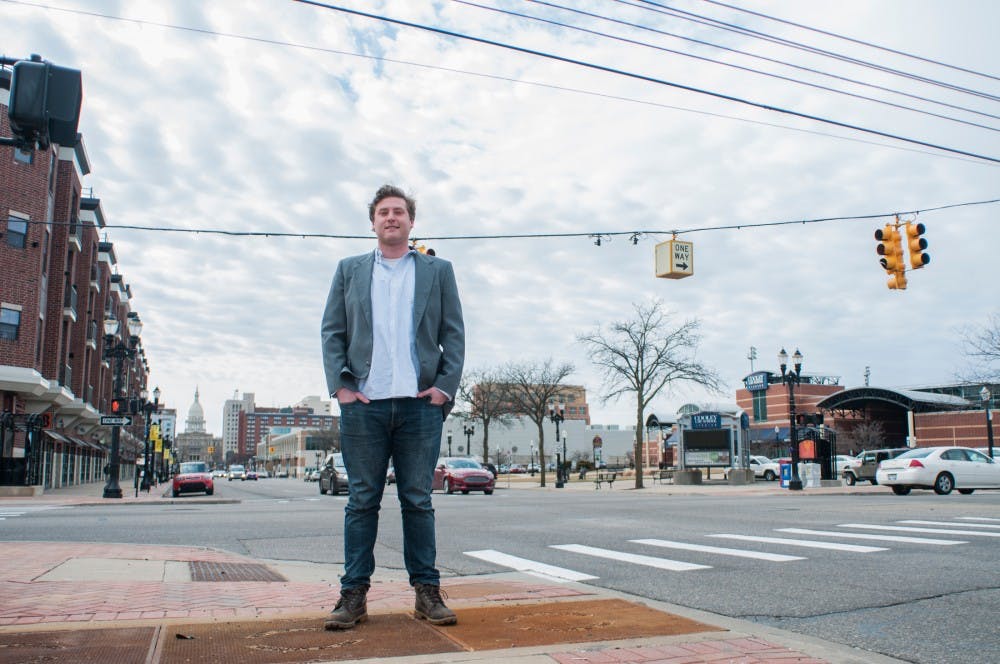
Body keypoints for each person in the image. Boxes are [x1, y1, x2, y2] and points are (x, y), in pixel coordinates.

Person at [320, 184, 465, 630]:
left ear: (411, 221)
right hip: (364, 404)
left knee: (417, 500)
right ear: (373, 222)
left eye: (399, 211)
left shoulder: (438, 271)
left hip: (420, 406)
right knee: (361, 501)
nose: (391, 218)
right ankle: (353, 596)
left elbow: (454, 334)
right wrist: (341, 388)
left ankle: (426, 592)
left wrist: (444, 388)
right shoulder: (349, 270)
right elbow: (332, 332)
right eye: (383, 212)